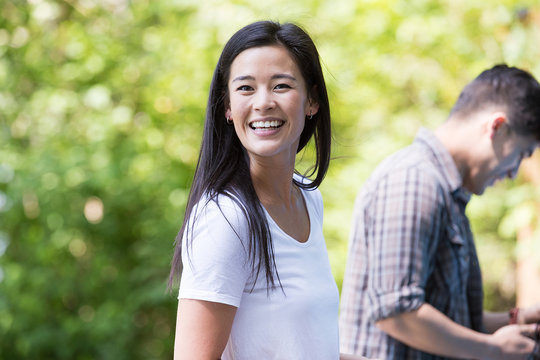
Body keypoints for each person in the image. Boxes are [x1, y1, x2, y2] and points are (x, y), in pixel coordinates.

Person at [169, 21, 363, 360]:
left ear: (311, 100)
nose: (263, 103)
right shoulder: (226, 219)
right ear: (227, 107)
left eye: (281, 86)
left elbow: (296, 346)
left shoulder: (308, 198)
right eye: (245, 88)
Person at [339, 64, 540, 359]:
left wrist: (516, 320)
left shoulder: (448, 194)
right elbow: (397, 313)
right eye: (519, 155)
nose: (512, 173)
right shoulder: (414, 180)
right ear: (496, 127)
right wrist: (493, 350)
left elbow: (450, 319)